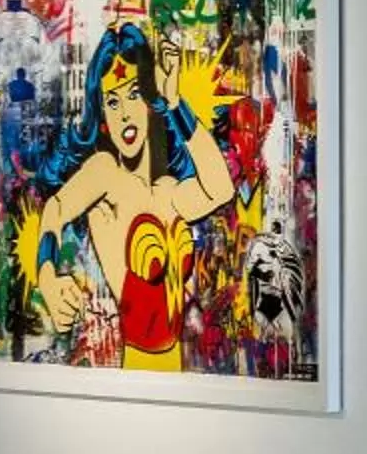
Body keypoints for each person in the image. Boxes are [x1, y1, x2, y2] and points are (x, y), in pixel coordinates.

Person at [19, 24, 238, 371]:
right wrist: (47, 274)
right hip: (135, 372)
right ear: (103, 113)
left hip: (178, 378)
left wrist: (177, 103)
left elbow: (220, 188)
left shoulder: (168, 191)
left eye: (134, 93)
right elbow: (56, 209)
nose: (123, 113)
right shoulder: (106, 174)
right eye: (112, 100)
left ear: (151, 101)